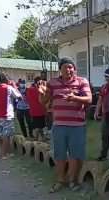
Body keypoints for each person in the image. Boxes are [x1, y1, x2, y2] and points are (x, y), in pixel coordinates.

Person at [39, 57, 92, 192]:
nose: (68, 70)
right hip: (59, 125)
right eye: (65, 67)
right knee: (60, 154)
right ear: (60, 70)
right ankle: (60, 180)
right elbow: (44, 101)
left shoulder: (82, 81)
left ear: (74, 69)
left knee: (75, 155)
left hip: (77, 125)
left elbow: (89, 99)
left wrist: (75, 98)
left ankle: (72, 180)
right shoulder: (52, 83)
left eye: (70, 67)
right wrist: (42, 92)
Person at [0, 73, 21, 159]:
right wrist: (14, 86)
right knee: (6, 135)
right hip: (7, 116)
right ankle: (4, 155)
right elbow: (19, 97)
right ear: (7, 80)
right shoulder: (9, 88)